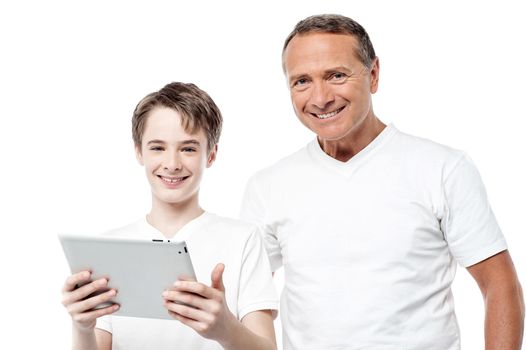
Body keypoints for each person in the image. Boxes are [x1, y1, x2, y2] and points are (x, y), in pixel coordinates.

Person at [241, 14, 524, 350]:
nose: (320, 98)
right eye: (302, 81)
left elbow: (500, 286)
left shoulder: (443, 168)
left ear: (373, 75)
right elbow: (251, 299)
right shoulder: (268, 186)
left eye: (336, 75)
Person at [61, 82, 278, 350]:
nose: (172, 163)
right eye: (157, 147)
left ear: (211, 154)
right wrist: (82, 327)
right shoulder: (111, 249)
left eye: (188, 148)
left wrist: (225, 328)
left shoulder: (243, 240)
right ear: (139, 151)